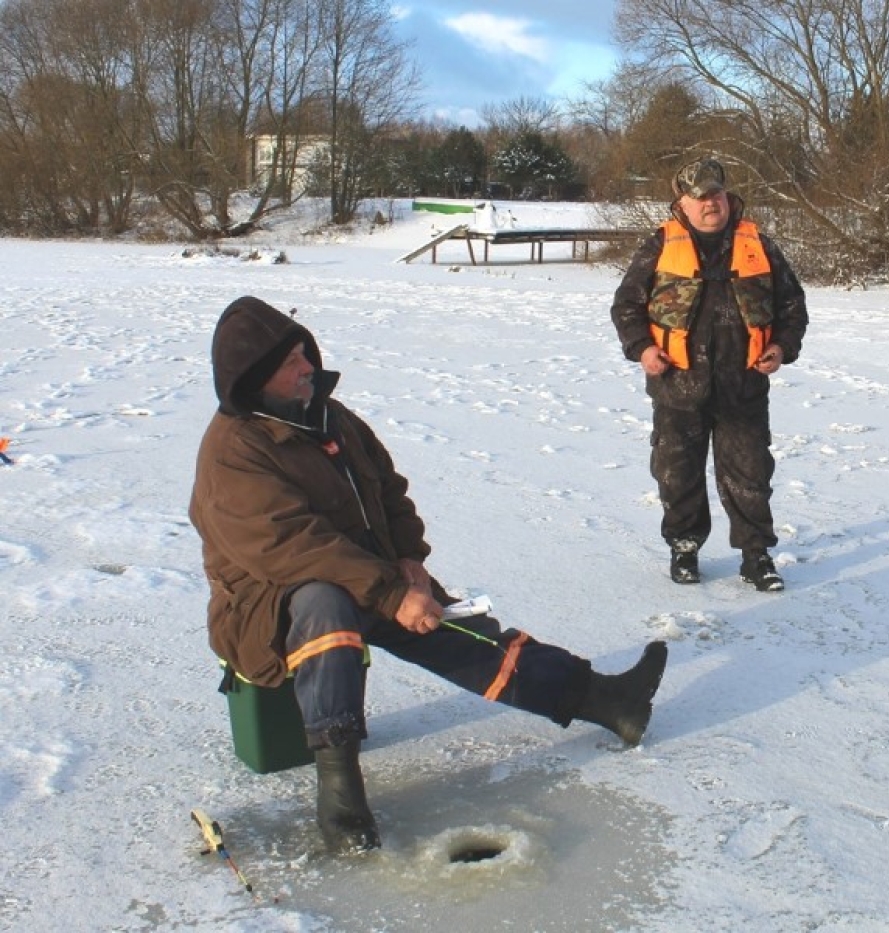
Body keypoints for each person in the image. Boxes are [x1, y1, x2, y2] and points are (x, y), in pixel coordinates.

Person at [190, 296, 669, 854]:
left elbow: (387, 490)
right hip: (268, 612)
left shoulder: (328, 415)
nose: (307, 367)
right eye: (290, 361)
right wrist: (392, 593)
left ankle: (604, 700)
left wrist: (410, 561)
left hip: (366, 578)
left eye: (304, 352)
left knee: (457, 631)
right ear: (255, 379)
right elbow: (292, 546)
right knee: (325, 604)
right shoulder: (233, 452)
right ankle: (340, 795)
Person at [610, 156, 809, 591]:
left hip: (743, 385)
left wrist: (781, 347)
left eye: (715, 194)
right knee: (677, 473)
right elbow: (626, 306)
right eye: (699, 197)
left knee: (750, 475)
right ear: (682, 202)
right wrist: (643, 349)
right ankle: (684, 547)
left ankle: (756, 556)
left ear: (727, 196)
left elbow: (793, 306)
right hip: (677, 386)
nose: (709, 203)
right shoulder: (660, 244)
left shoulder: (759, 244)